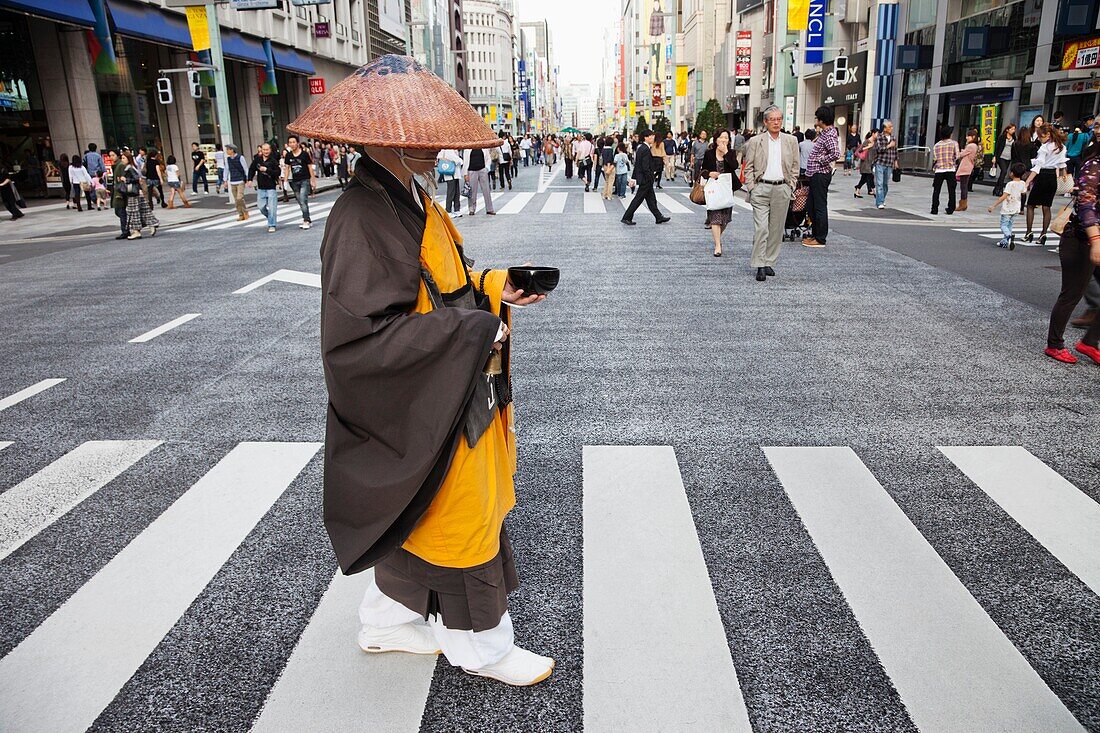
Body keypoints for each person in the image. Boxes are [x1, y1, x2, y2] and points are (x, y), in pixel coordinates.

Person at [288, 54, 555, 687]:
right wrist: (472, 329)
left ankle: (385, 620)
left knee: (421, 511)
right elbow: (362, 340)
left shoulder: (404, 195)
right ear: (391, 141)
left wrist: (495, 288)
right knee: (461, 513)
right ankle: (483, 647)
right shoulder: (360, 216)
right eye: (424, 136)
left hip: (444, 380)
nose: (437, 146)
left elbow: (442, 290)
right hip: (430, 387)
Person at [1044, 135, 1100, 364]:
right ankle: (1054, 345)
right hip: (1079, 241)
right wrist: (1096, 241)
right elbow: (1086, 205)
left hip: (1092, 242)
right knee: (1071, 295)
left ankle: (1089, 343)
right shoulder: (1094, 165)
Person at [743, 105, 799, 281]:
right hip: (761, 188)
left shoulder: (791, 141)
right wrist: (752, 187)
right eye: (772, 119)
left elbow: (795, 166)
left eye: (779, 119)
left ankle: (768, 261)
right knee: (762, 228)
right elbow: (748, 166)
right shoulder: (755, 141)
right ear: (765, 122)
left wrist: (791, 185)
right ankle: (759, 264)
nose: (776, 122)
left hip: (782, 188)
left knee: (776, 229)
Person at [1023, 124, 1068, 246]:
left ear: (1048, 135)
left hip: (1042, 176)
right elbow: (1063, 165)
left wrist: (1027, 182)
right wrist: (1066, 178)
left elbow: (1038, 167)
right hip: (1052, 177)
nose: (1039, 139)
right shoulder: (1061, 147)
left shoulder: (1045, 148)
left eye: (1040, 136)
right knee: (1046, 207)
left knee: (1031, 205)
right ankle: (1043, 234)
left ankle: (1028, 233)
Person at [803, 106, 840, 247]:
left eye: (817, 117)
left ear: (821, 119)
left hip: (821, 174)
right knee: (811, 206)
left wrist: (820, 159)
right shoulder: (824, 133)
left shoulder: (830, 134)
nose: (815, 120)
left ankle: (820, 238)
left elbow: (835, 153)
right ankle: (815, 234)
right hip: (815, 174)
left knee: (819, 206)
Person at [700, 129, 740, 258]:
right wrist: (709, 174)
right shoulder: (709, 153)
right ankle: (718, 245)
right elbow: (703, 170)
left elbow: (734, 166)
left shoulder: (731, 153)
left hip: (727, 189)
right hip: (713, 188)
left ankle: (717, 237)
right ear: (716, 139)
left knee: (725, 219)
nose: (723, 140)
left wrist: (726, 153)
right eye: (721, 137)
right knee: (715, 218)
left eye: (726, 138)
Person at [622, 128, 669, 225]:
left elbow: (637, 165)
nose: (653, 137)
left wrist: (634, 178)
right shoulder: (645, 149)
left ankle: (658, 217)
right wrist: (650, 177)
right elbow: (644, 166)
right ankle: (627, 217)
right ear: (645, 138)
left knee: (651, 199)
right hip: (645, 179)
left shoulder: (642, 148)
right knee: (638, 199)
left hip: (644, 178)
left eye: (652, 135)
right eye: (650, 136)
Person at [986, 162, 1028, 249]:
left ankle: (1009, 236)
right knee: (1010, 225)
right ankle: (1005, 242)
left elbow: (1003, 196)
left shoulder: (1010, 184)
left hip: (1008, 208)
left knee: (1004, 225)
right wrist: (1022, 207)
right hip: (1016, 208)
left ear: (1011, 173)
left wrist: (993, 205)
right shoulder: (1023, 183)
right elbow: (1024, 195)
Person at [121, 150, 158, 239]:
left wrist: (126, 180)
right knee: (143, 210)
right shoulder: (132, 167)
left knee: (133, 212)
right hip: (137, 192)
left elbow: (137, 179)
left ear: (128, 159)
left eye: (123, 158)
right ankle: (151, 224)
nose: (122, 160)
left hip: (133, 193)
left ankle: (136, 231)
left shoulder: (129, 168)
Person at [282, 134, 317, 229]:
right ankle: (308, 219)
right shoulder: (288, 155)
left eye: (294, 142)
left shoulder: (304, 154)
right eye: (290, 142)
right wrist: (285, 181)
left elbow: (310, 167)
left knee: (303, 199)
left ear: (297, 143)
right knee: (300, 201)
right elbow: (287, 168)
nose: (292, 144)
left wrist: (313, 180)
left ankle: (305, 220)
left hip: (304, 179)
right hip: (294, 181)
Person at [249, 143, 280, 231]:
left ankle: (272, 224)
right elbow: (251, 169)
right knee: (261, 207)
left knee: (272, 207)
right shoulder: (257, 159)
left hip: (271, 187)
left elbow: (277, 172)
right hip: (261, 187)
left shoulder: (273, 160)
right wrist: (250, 179)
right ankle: (270, 217)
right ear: (261, 150)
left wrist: (267, 170)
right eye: (264, 150)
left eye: (267, 150)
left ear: (270, 150)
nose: (265, 151)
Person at [931, 126, 960, 215]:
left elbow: (935, 158)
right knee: (951, 190)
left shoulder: (936, 145)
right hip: (950, 169)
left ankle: (934, 208)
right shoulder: (954, 143)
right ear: (949, 134)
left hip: (939, 170)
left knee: (936, 190)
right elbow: (957, 156)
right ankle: (951, 208)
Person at [463, 144, 495, 215]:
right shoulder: (467, 149)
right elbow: (465, 161)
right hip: (471, 170)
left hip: (482, 169)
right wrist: (465, 173)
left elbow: (488, 158)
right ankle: (472, 209)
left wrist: (486, 168)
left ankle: (489, 209)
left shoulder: (483, 147)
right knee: (472, 192)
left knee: (486, 190)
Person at [873, 120, 898, 209]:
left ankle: (881, 199)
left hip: (889, 163)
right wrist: (889, 145)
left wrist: (895, 161)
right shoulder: (879, 137)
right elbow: (879, 149)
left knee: (885, 184)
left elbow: (895, 150)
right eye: (890, 127)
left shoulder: (893, 137)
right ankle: (880, 202)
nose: (891, 128)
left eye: (891, 126)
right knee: (879, 183)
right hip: (880, 162)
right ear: (885, 128)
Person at [953, 128, 980, 212]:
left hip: (966, 167)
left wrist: (959, 151)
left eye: (969, 136)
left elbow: (961, 155)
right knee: (964, 186)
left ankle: (963, 204)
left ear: (973, 137)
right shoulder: (974, 146)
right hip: (968, 167)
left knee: (963, 186)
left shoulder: (971, 146)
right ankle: (963, 203)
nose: (967, 137)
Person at [437, 148, 464, 218]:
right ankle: (448, 210)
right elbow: (453, 157)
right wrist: (460, 160)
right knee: (451, 192)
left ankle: (456, 209)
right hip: (450, 173)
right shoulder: (447, 148)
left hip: (455, 173)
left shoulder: (452, 149)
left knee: (456, 192)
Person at [991, 124, 1016, 196]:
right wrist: (994, 156)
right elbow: (997, 147)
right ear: (1007, 130)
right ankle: (1000, 189)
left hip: (1009, 158)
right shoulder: (1002, 137)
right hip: (1001, 157)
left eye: (1014, 129)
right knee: (1004, 171)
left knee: (1003, 173)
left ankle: (996, 189)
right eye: (1011, 129)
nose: (1013, 131)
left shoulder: (1014, 138)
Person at [854, 131, 877, 198]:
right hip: (865, 162)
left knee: (864, 178)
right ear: (873, 133)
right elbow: (860, 150)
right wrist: (868, 147)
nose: (878, 135)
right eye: (877, 133)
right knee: (870, 176)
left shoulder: (875, 142)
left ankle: (857, 190)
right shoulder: (866, 142)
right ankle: (873, 191)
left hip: (870, 162)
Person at [111, 152, 128, 239]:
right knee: (119, 211)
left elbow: (121, 179)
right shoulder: (116, 165)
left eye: (113, 155)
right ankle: (126, 228)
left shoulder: (120, 165)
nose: (111, 157)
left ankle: (125, 230)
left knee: (120, 210)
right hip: (118, 190)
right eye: (110, 155)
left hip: (120, 191)